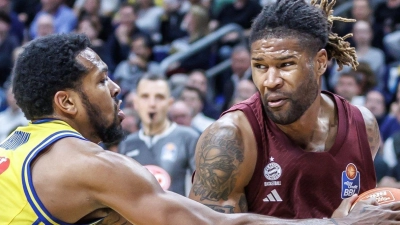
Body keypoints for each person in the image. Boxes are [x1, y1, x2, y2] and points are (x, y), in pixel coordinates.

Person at [1, 33, 398, 225]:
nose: (116, 87)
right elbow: (215, 223)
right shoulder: (90, 165)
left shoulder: (14, 145)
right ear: (66, 102)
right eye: (102, 81)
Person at [189, 0, 390, 219]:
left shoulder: (363, 126)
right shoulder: (229, 138)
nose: (270, 81)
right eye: (260, 66)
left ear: (321, 62)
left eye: (286, 65)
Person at [118, 74, 199, 196]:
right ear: (136, 103)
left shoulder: (189, 138)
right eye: (145, 96)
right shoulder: (126, 143)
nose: (152, 104)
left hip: (179, 214)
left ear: (170, 103)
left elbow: (204, 191)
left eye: (159, 97)